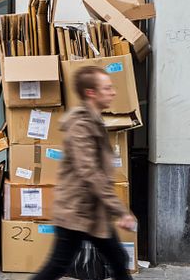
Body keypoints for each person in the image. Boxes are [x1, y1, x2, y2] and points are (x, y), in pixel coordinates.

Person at [32, 66, 137, 280]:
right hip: (76, 212)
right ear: (91, 93)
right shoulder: (81, 126)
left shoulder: (93, 121)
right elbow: (90, 172)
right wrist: (120, 210)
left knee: (118, 259)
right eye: (107, 88)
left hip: (91, 212)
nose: (113, 92)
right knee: (57, 267)